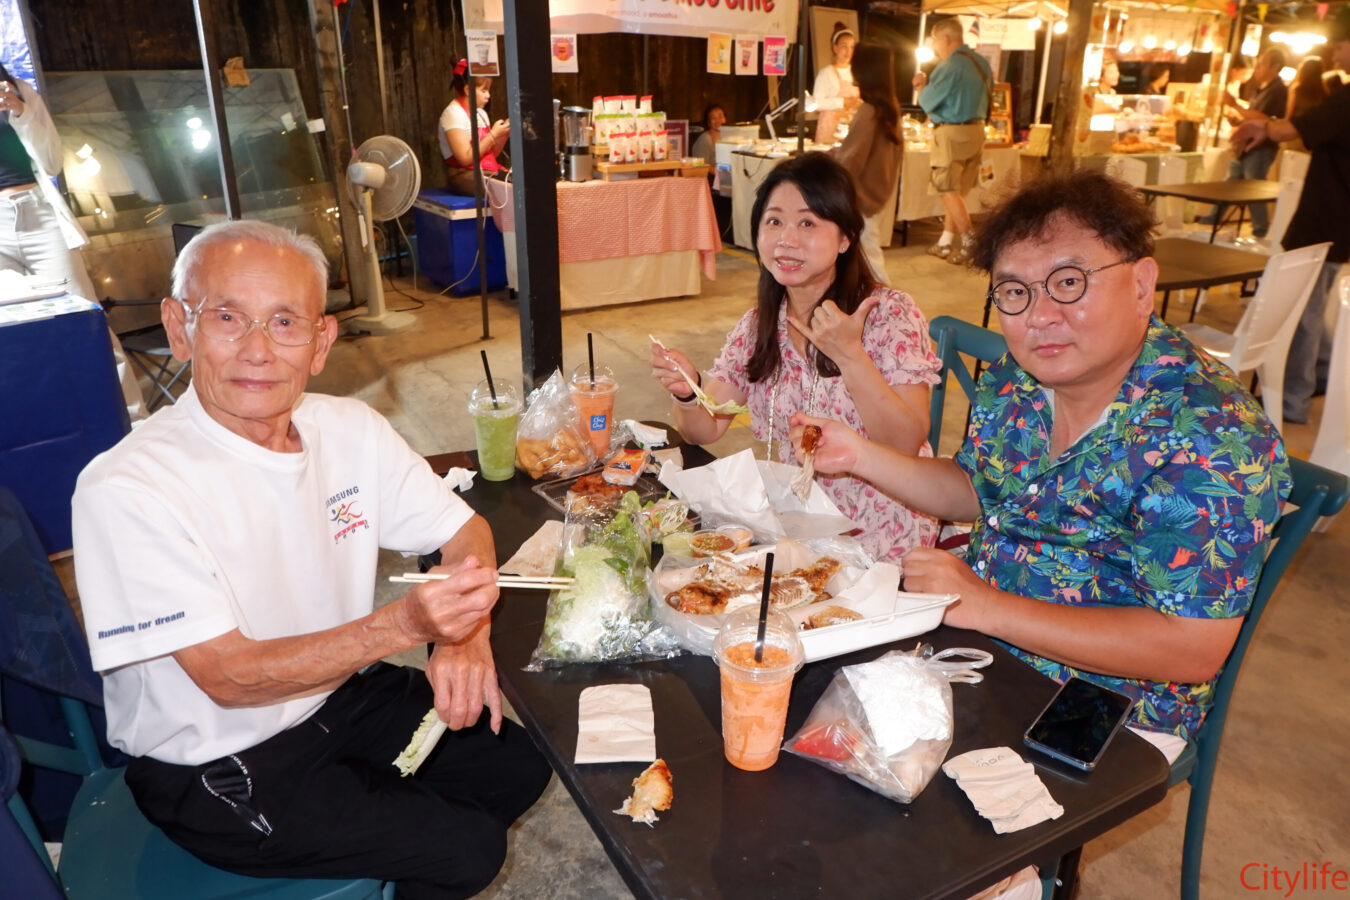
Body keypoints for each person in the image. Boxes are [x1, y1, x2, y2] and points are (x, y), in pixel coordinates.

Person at [71, 220, 551, 897]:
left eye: (285, 322)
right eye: (227, 317)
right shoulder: (126, 488)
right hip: (216, 760)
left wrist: (464, 638)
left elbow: (463, 529)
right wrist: (408, 625)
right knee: (467, 848)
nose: (258, 350)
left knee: (516, 763)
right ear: (179, 328)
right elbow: (228, 678)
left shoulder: (348, 429)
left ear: (321, 342)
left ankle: (388, 848)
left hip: (335, 696)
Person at [790, 170, 1290, 753]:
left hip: (1113, 700)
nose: (1039, 316)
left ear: (1141, 284)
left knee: (927, 794)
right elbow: (975, 488)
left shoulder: (1212, 438)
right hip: (981, 645)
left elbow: (1191, 649)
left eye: (1069, 282)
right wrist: (859, 455)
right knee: (805, 708)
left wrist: (988, 607)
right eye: (1015, 292)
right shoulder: (1019, 378)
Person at [649, 152, 941, 563]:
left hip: (880, 531)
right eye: (774, 221)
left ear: (845, 238)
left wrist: (850, 355)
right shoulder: (760, 325)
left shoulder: (887, 315)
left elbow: (904, 444)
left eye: (807, 223)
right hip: (796, 521)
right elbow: (704, 429)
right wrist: (686, 391)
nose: (786, 239)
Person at [0, 63, 145, 420]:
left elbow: (51, 163)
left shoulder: (18, 89)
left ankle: (136, 423)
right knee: (15, 337)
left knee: (88, 321)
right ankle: (61, 429)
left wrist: (20, 111)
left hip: (38, 214)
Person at [1234, 9, 1350, 424]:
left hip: (1326, 219)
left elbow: (1291, 129)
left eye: (1339, 45)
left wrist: (1262, 126)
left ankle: (1293, 401)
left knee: (1304, 310)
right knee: (1314, 303)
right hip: (1338, 220)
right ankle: (1322, 374)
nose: (1334, 55)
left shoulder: (1347, 99)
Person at [912, 17, 992, 266]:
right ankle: (945, 242)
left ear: (946, 39)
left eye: (935, 40)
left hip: (951, 135)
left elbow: (927, 102)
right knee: (957, 192)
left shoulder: (949, 66)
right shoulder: (981, 63)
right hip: (977, 131)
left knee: (947, 190)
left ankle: (971, 243)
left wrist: (920, 86)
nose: (935, 46)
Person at [832, 41, 903, 286]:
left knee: (870, 263)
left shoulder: (869, 111)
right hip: (876, 197)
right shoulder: (890, 108)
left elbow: (851, 159)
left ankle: (890, 306)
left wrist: (832, 161)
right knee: (867, 258)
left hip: (860, 198)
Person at [1210, 47, 1287, 237]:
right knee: (1232, 183)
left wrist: (1235, 105)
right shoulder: (1261, 89)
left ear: (1275, 67)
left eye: (1262, 64)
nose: (1257, 68)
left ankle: (1260, 229)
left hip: (1260, 147)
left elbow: (1265, 120)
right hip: (1246, 145)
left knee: (1253, 188)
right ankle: (1214, 217)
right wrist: (1239, 121)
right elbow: (1255, 119)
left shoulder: (1278, 90)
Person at [439, 60, 509, 197]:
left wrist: (504, 134)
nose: (488, 96)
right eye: (484, 90)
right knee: (504, 187)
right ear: (468, 90)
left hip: (484, 170)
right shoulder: (453, 114)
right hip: (462, 174)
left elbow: (490, 154)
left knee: (516, 181)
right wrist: (493, 135)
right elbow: (465, 159)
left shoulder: (481, 113)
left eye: (488, 90)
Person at [813, 26, 861, 144]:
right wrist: (842, 102)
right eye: (844, 46)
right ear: (835, 48)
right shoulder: (826, 73)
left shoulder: (858, 72)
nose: (848, 51)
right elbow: (816, 103)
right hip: (829, 132)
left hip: (852, 130)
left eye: (852, 47)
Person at [1282, 56, 1328, 152]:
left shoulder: (1297, 90)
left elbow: (1288, 116)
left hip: (1294, 135)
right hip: (1313, 139)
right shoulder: (1324, 93)